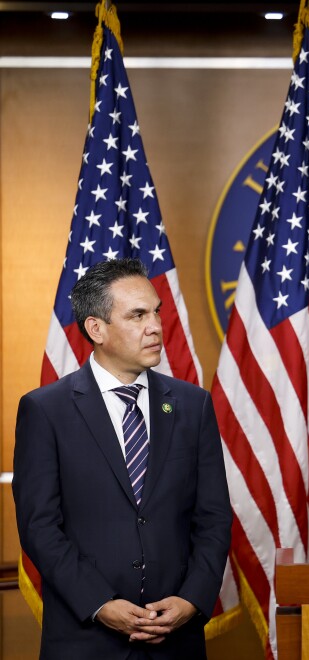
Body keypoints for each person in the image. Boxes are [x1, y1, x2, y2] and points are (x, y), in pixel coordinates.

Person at [13, 259, 231, 660]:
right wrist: (100, 604)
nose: (155, 326)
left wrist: (191, 600)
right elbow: (39, 527)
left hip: (176, 641)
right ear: (96, 328)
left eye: (156, 312)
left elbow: (214, 518)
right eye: (137, 315)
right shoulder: (46, 410)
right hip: (86, 641)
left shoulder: (192, 405)